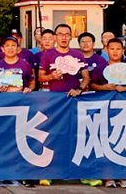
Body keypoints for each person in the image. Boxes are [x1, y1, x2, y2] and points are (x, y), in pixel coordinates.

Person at [37, 24, 90, 187]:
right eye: (60, 34)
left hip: (74, 101)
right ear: (55, 37)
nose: (63, 37)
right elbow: (40, 77)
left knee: (77, 137)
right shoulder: (48, 54)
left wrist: (79, 89)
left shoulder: (77, 55)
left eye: (67, 34)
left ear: (71, 37)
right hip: (54, 102)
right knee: (53, 136)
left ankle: (83, 173)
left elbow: (86, 78)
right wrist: (51, 76)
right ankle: (49, 172)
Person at [89, 37, 126, 189]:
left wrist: (125, 89)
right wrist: (104, 88)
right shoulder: (100, 68)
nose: (115, 52)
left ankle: (123, 176)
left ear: (123, 51)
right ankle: (108, 176)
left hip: (124, 111)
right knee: (105, 141)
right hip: (105, 110)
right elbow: (92, 85)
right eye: (112, 49)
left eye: (118, 49)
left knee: (123, 141)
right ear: (107, 50)